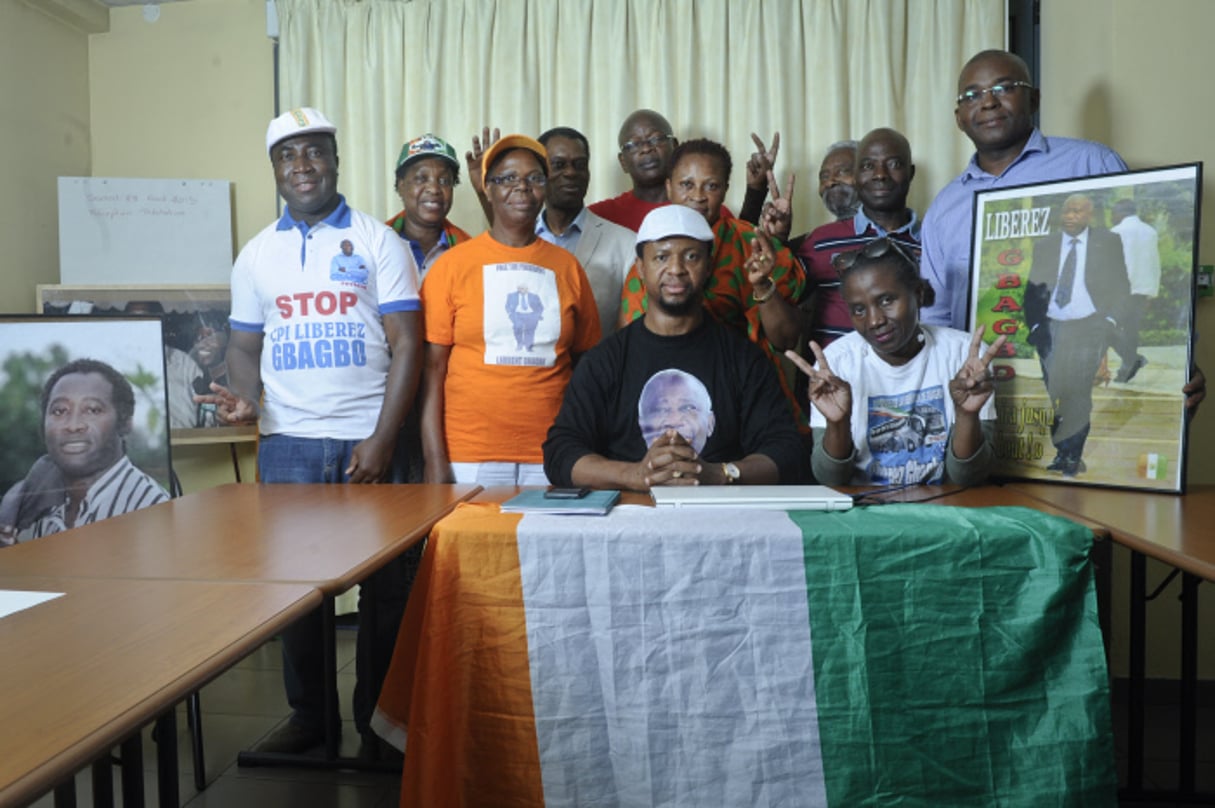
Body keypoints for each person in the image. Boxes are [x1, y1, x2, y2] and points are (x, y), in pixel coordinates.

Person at [196, 107, 424, 757]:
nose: (302, 165)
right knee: (297, 594)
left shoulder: (381, 241)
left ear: (335, 160)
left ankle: (379, 728)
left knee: (386, 593)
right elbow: (244, 346)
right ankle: (310, 721)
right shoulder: (257, 254)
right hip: (288, 443)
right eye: (288, 156)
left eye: (314, 152)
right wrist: (246, 400)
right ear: (275, 171)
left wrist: (383, 438)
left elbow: (408, 345)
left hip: (369, 440)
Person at [544, 205, 804, 490]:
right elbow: (560, 453)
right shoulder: (605, 360)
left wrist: (719, 473)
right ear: (641, 268)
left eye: (691, 257)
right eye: (661, 257)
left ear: (708, 267)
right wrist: (635, 475)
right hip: (629, 520)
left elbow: (788, 452)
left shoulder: (743, 358)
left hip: (723, 521)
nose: (677, 269)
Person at [420, 134, 600, 487]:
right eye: (507, 178)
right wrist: (434, 459)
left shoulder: (568, 268)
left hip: (551, 453)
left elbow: (586, 367)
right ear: (487, 188)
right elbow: (431, 374)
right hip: (469, 454)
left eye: (534, 178)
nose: (522, 187)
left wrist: (583, 448)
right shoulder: (452, 266)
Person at [918, 49, 1128, 329]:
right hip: (978, 369)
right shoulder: (944, 208)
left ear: (1034, 99)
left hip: (1087, 338)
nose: (988, 102)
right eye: (972, 95)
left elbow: (1134, 265)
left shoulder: (1092, 164)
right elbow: (934, 315)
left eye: (1004, 88)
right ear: (959, 118)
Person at [618, 138, 807, 425]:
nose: (698, 196)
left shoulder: (751, 244)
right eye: (686, 184)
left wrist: (762, 285)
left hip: (744, 389)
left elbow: (786, 340)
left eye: (711, 185)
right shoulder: (649, 253)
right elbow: (631, 347)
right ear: (668, 187)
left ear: (725, 190)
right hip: (668, 396)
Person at [786, 238, 1003, 486]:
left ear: (918, 295)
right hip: (865, 513)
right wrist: (838, 424)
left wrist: (966, 415)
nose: (874, 320)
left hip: (943, 509)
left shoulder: (964, 357)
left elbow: (968, 478)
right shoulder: (836, 364)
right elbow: (830, 480)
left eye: (887, 300)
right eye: (859, 309)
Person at [1, 358, 170, 543]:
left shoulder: (154, 512)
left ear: (125, 423)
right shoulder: (32, 515)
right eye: (59, 411)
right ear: (43, 426)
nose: (73, 425)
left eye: (92, 410)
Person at [1024, 194, 1131, 478]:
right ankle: (1063, 451)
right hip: (1051, 328)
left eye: (1077, 211)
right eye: (1067, 211)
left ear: (1090, 214)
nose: (1071, 216)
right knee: (1057, 392)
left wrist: (1109, 321)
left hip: (1089, 326)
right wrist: (1034, 326)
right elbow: (1033, 288)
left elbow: (1122, 284)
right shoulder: (1045, 245)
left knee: (1079, 391)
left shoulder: (1107, 242)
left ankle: (1072, 455)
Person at [792, 127, 921, 349]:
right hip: (834, 377)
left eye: (893, 164)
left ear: (910, 172)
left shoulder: (935, 239)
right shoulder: (818, 241)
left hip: (912, 375)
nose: (880, 174)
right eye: (869, 166)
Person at [535, 127, 637, 337]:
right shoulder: (517, 238)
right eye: (559, 165)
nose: (571, 173)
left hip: (598, 365)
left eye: (579, 165)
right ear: (538, 173)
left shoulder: (626, 243)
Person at [588, 109, 732, 231]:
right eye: (634, 144)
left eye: (656, 139)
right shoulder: (599, 217)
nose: (646, 149)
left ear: (675, 146)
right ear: (623, 161)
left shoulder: (710, 210)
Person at [385, 133, 473, 277]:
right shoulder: (377, 242)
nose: (434, 188)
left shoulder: (469, 249)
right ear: (401, 186)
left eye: (444, 181)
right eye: (421, 178)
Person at [1109, 199, 1161, 382]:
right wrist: (1151, 293)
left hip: (1120, 291)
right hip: (1142, 290)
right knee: (1131, 330)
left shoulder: (1116, 232)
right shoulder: (1150, 232)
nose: (1112, 217)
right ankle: (1126, 369)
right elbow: (1154, 264)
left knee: (1104, 327)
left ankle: (1132, 360)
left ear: (1121, 213)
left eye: (1113, 213)